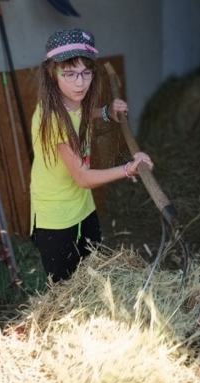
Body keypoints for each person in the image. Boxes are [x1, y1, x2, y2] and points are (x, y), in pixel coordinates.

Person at [30, 28, 154, 283]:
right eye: (70, 73)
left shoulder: (75, 99)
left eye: (86, 73)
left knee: (93, 275)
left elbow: (83, 113)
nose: (80, 82)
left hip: (83, 207)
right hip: (56, 218)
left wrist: (106, 111)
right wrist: (128, 168)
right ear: (53, 73)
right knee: (66, 291)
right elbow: (83, 177)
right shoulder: (52, 118)